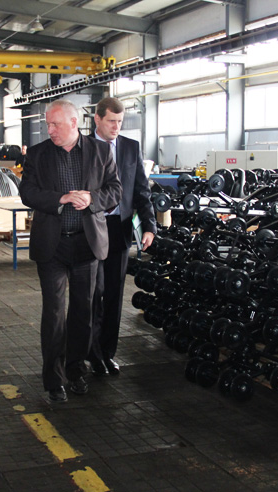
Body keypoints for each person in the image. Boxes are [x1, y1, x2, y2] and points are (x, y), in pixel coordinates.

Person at [18, 99, 122, 403]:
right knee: (53, 314)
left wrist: (92, 199)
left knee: (82, 313)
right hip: (52, 245)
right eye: (48, 124)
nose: (49, 130)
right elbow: (27, 192)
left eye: (55, 124)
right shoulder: (38, 154)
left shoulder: (101, 151)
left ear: (74, 123)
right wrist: (60, 198)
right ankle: (54, 380)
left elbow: (115, 190)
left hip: (86, 243)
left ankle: (76, 371)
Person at [89, 97, 158, 376]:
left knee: (114, 293)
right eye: (111, 121)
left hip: (120, 227)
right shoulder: (83, 147)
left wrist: (149, 226)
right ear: (97, 119)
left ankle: (107, 353)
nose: (116, 127)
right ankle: (90, 352)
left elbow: (141, 190)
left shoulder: (130, 147)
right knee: (93, 292)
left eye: (119, 122)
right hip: (92, 227)